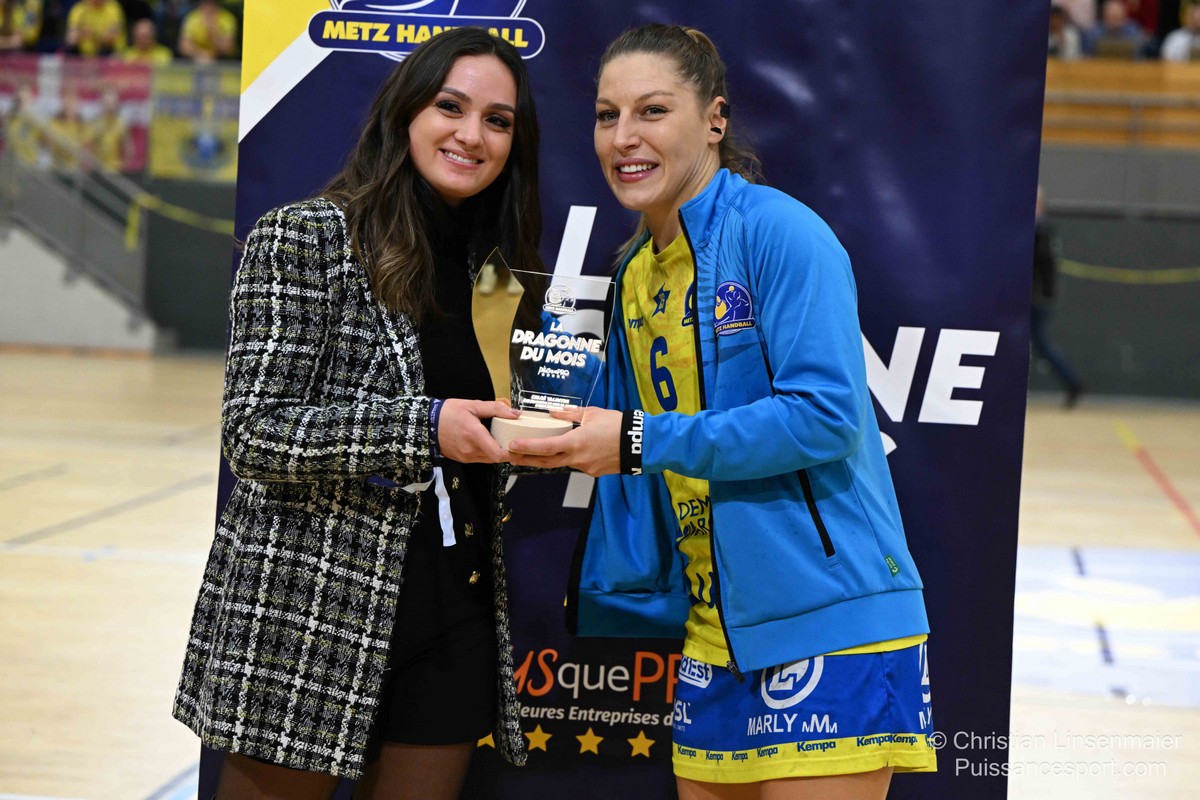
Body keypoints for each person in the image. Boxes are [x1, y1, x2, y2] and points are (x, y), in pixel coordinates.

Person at [508, 23, 935, 800]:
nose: (624, 137)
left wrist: (634, 439)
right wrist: (528, 394)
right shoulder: (636, 272)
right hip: (714, 632)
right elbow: (631, 430)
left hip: (830, 617)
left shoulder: (780, 232)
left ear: (714, 119)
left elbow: (824, 417)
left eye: (652, 110)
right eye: (607, 115)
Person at [172, 27, 542, 799]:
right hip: (308, 613)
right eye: (450, 107)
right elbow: (256, 432)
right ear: (407, 111)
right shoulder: (306, 237)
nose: (472, 135)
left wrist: (537, 436)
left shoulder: (498, 276)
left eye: (498, 120)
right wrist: (425, 427)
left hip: (454, 604)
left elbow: (489, 427)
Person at [1032, 187, 1085, 408]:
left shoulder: (1040, 229)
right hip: (1039, 296)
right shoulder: (1043, 228)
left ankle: (1073, 383)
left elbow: (1041, 261)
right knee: (1039, 344)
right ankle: (1072, 383)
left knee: (1036, 343)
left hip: (1036, 297)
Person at [1083, 0, 1148, 57]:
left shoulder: (1133, 31)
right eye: (1112, 17)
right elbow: (1087, 56)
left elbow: (1140, 54)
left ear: (1124, 16)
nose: (1114, 20)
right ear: (1105, 16)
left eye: (1117, 17)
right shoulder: (1094, 33)